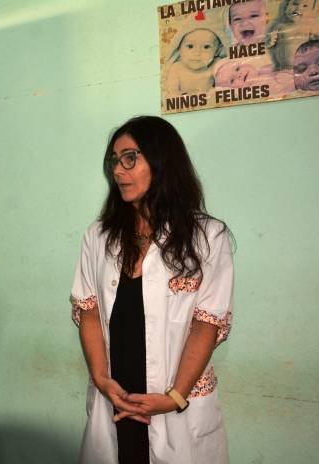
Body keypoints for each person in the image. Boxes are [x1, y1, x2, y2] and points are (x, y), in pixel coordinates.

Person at [70, 116, 234, 463]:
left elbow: (206, 324)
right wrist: (101, 379)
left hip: (174, 403)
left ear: (161, 162)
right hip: (115, 399)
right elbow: (88, 310)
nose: (118, 170)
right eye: (114, 160)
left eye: (130, 158)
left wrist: (174, 397)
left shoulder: (207, 238)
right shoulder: (98, 236)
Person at [267, 0, 319, 70]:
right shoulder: (279, 26)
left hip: (302, 67)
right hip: (283, 67)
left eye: (305, 6)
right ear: (286, 6)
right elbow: (268, 45)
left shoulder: (309, 27)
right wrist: (270, 41)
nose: (299, 8)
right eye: (295, 4)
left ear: (311, 11)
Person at [165, 27, 225, 95]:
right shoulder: (176, 68)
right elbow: (172, 92)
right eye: (190, 46)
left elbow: (225, 85)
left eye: (206, 47)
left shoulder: (216, 64)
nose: (197, 53)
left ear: (218, 50)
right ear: (179, 48)